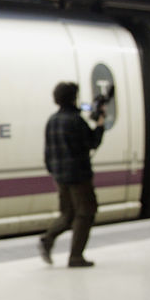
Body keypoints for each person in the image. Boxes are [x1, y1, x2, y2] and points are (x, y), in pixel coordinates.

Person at [39, 81, 105, 267]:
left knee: (68, 214)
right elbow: (92, 143)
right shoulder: (75, 120)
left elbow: (47, 153)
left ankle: (48, 238)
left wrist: (55, 172)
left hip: (60, 176)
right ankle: (76, 256)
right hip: (79, 176)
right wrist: (100, 124)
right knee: (86, 213)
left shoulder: (52, 120)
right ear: (73, 98)